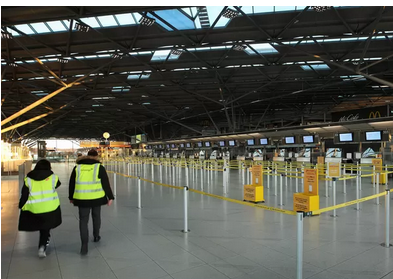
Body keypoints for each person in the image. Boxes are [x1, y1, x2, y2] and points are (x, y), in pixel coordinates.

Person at [69, 149, 114, 255]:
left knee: (83, 221)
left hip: (81, 198)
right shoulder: (99, 167)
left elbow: (72, 184)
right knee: (96, 216)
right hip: (97, 197)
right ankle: (96, 236)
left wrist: (71, 197)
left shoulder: (77, 168)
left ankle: (84, 245)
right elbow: (105, 183)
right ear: (97, 157)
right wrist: (110, 197)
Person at [18, 159, 62, 258]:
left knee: (41, 226)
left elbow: (24, 194)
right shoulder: (53, 177)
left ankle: (43, 242)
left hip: (34, 207)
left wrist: (21, 205)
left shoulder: (28, 178)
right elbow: (57, 185)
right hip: (50, 207)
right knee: (45, 228)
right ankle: (42, 247)